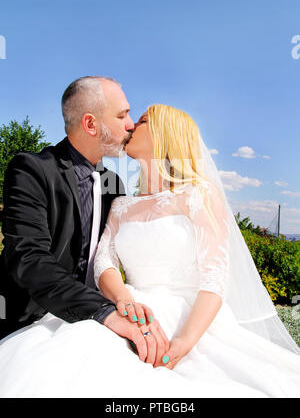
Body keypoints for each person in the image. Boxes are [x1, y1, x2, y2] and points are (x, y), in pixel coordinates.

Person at [0, 104, 300, 399]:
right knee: (63, 356)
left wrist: (181, 344)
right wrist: (123, 300)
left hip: (187, 317)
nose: (130, 126)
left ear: (164, 134)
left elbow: (214, 279)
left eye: (141, 121)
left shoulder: (199, 195)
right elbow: (104, 260)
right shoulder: (120, 202)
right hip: (130, 306)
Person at [0, 76, 169, 363]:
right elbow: (28, 258)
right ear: (91, 124)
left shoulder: (114, 185)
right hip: (28, 325)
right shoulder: (31, 170)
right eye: (122, 115)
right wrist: (104, 311)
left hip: (93, 333)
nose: (130, 124)